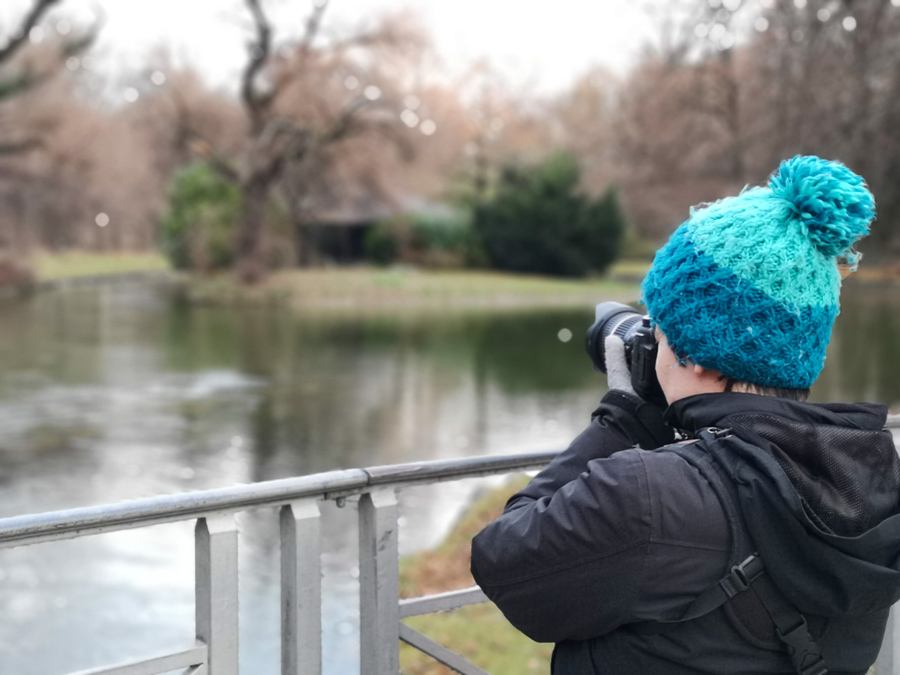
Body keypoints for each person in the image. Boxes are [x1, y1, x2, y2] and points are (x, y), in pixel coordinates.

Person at [470, 155, 900, 675]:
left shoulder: (648, 497)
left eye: (661, 329)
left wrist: (623, 417)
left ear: (696, 355)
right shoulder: (865, 475)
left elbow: (504, 563)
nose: (653, 342)